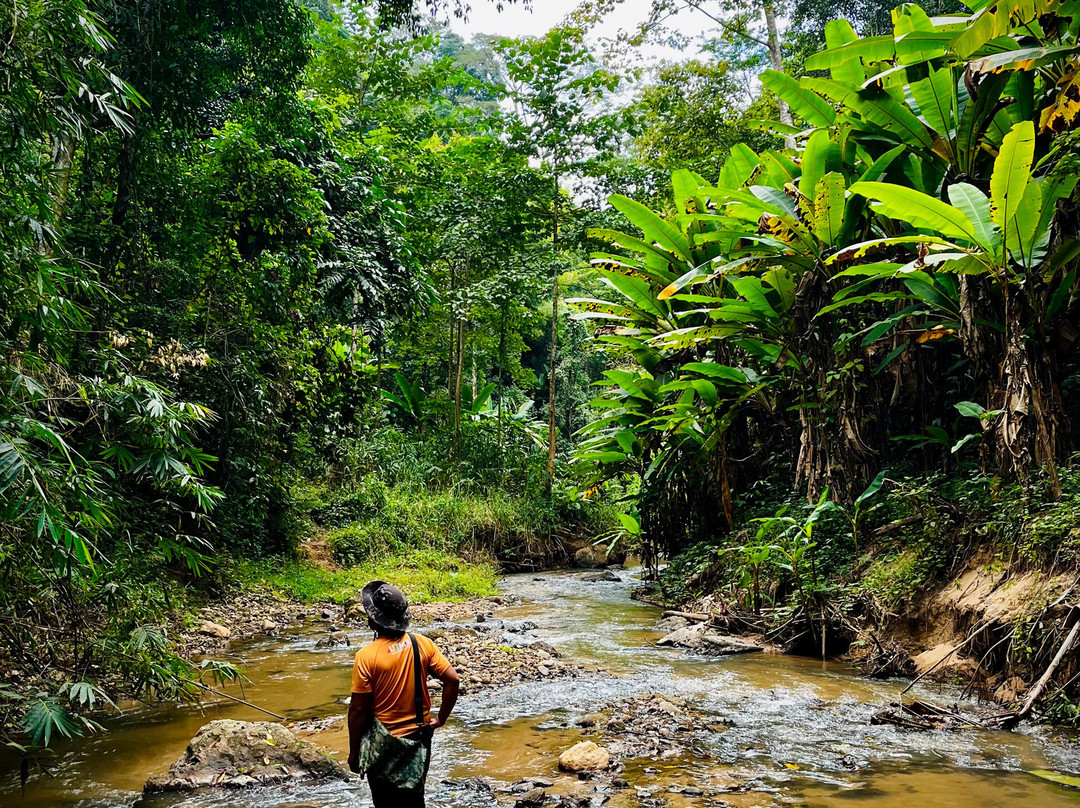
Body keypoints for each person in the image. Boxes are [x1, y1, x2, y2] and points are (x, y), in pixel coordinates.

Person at [347, 580, 460, 808]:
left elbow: (358, 710)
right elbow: (453, 680)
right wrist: (441, 719)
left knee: (384, 802)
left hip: (381, 742)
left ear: (374, 621)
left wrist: (353, 752)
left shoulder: (366, 656)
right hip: (419, 737)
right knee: (415, 800)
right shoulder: (423, 644)